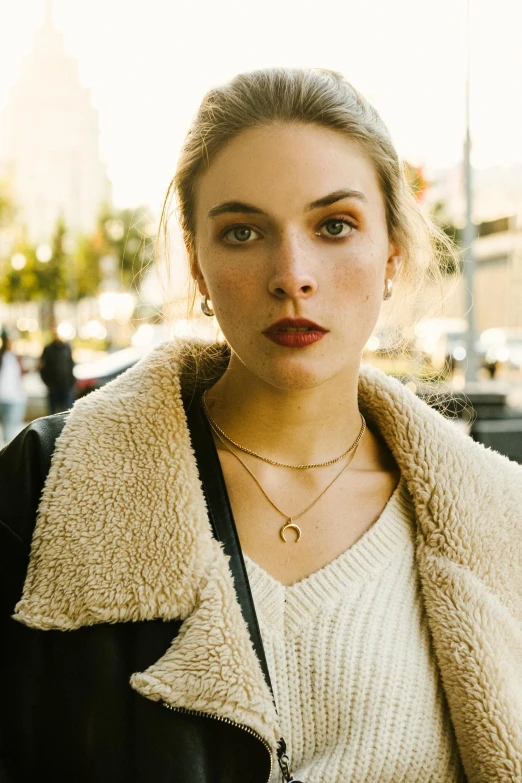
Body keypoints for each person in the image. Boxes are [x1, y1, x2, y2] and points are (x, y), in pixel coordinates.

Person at [1, 68, 521, 783]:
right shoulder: (45, 486)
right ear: (197, 260)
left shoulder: (501, 522)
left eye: (334, 225)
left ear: (393, 252)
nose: (292, 273)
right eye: (242, 231)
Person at [38, 323, 75, 413]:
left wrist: (71, 383)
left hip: (66, 387)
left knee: (67, 414)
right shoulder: (48, 349)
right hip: (53, 388)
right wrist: (49, 384)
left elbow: (70, 365)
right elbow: (42, 367)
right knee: (53, 414)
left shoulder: (67, 348)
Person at [0, 331, 26, 445]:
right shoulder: (2, 357)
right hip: (3, 397)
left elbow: (18, 377)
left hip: (15, 398)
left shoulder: (16, 358)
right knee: (7, 431)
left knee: (11, 432)